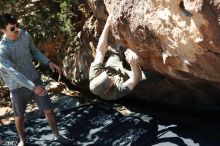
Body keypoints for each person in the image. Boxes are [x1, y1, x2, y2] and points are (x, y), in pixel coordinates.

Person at [0, 13, 70, 146]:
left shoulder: (25, 35)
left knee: (48, 109)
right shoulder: (2, 49)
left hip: (34, 79)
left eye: (17, 26)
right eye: (12, 28)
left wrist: (48, 62)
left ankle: (57, 135)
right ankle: (22, 141)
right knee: (19, 116)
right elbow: (12, 73)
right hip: (17, 87)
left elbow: (35, 51)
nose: (17, 30)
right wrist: (33, 87)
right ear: (3, 30)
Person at [89, 14, 144, 100]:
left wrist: (107, 24)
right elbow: (136, 79)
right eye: (109, 80)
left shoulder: (94, 75)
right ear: (107, 90)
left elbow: (100, 50)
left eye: (106, 76)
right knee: (146, 78)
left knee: (117, 49)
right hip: (126, 76)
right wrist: (133, 64)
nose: (110, 77)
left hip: (112, 67)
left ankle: (121, 48)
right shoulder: (114, 93)